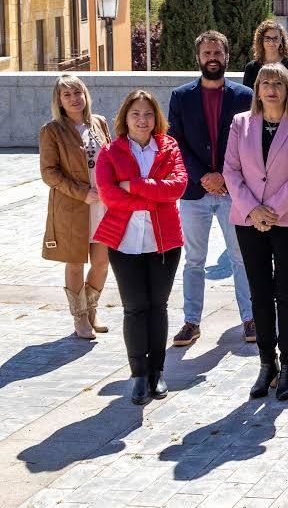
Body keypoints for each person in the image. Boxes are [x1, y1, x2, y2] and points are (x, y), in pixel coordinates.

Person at [224, 64, 288, 402]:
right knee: (259, 294)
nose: (271, 88)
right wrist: (253, 209)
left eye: (278, 83)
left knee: (287, 294)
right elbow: (230, 170)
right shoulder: (240, 123)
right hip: (248, 220)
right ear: (257, 88)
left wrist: (272, 210)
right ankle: (267, 363)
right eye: (265, 82)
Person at [93, 90, 187, 405]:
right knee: (135, 308)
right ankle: (137, 375)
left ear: (156, 117)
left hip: (164, 243)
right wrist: (152, 198)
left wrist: (134, 186)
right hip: (124, 243)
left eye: (148, 114)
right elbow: (108, 195)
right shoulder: (110, 151)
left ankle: (157, 372)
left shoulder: (169, 146)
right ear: (125, 118)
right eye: (136, 114)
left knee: (157, 307)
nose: (142, 120)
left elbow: (178, 187)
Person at [168, 31, 255, 347]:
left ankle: (250, 318)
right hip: (194, 192)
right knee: (194, 260)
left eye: (217, 52)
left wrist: (225, 178)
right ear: (198, 58)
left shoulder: (245, 96)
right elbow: (174, 142)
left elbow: (250, 143)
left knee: (241, 257)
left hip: (234, 192)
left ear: (227, 56)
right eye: (206, 53)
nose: (212, 57)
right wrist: (205, 176)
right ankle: (191, 321)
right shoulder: (181, 97)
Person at [40, 75, 112, 340]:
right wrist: (82, 193)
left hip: (103, 206)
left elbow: (111, 159)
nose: (74, 98)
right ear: (59, 100)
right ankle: (80, 318)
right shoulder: (52, 130)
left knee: (102, 262)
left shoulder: (100, 122)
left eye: (77, 92)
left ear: (85, 94)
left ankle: (92, 309)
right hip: (73, 207)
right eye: (67, 94)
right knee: (74, 263)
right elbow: (49, 173)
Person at [242, 19, 288, 89]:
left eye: (275, 38)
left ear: (281, 39)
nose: (271, 42)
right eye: (267, 38)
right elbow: (248, 96)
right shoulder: (251, 67)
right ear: (261, 40)